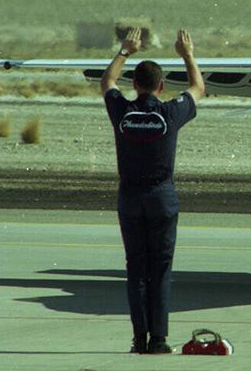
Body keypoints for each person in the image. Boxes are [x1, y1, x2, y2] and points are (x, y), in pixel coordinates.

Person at [100, 27, 205, 354]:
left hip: (130, 198)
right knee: (160, 271)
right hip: (161, 199)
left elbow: (107, 83)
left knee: (136, 270)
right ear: (161, 87)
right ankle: (158, 340)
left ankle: (139, 338)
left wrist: (124, 51)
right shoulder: (170, 112)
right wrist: (187, 55)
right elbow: (198, 88)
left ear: (135, 85)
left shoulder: (122, 112)